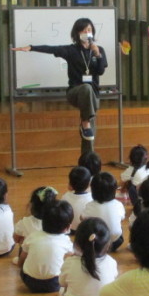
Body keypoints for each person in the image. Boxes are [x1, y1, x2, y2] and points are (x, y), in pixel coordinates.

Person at [11, 18, 107, 153]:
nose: (87, 32)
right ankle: (85, 122)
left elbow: (101, 71)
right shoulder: (71, 50)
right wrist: (32, 47)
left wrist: (97, 53)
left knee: (89, 138)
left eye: (89, 30)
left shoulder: (99, 50)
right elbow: (51, 49)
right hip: (75, 92)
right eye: (83, 30)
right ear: (77, 33)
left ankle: (87, 165)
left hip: (93, 97)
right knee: (86, 89)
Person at [59, 218, 118, 296]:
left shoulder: (70, 262)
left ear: (76, 243)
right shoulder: (111, 262)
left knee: (64, 288)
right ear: (107, 245)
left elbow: (62, 283)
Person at [19, 200, 74, 293]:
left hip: (29, 281)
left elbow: (22, 258)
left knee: (25, 248)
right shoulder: (66, 242)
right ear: (68, 227)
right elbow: (72, 258)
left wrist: (20, 265)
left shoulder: (32, 236)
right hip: (54, 284)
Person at [81, 172, 126, 252]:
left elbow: (82, 218)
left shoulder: (90, 205)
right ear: (114, 191)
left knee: (87, 225)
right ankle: (108, 248)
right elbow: (122, 218)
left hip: (96, 241)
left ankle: (99, 248)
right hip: (115, 241)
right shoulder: (118, 204)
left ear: (93, 190)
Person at [12, 186, 58, 264]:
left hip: (30, 259)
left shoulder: (24, 222)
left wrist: (23, 240)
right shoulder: (57, 222)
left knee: (24, 241)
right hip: (50, 259)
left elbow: (15, 239)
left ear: (32, 205)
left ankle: (21, 261)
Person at [61, 167, 93, 235]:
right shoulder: (92, 198)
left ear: (70, 183)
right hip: (84, 230)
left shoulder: (65, 196)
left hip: (69, 229)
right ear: (89, 184)